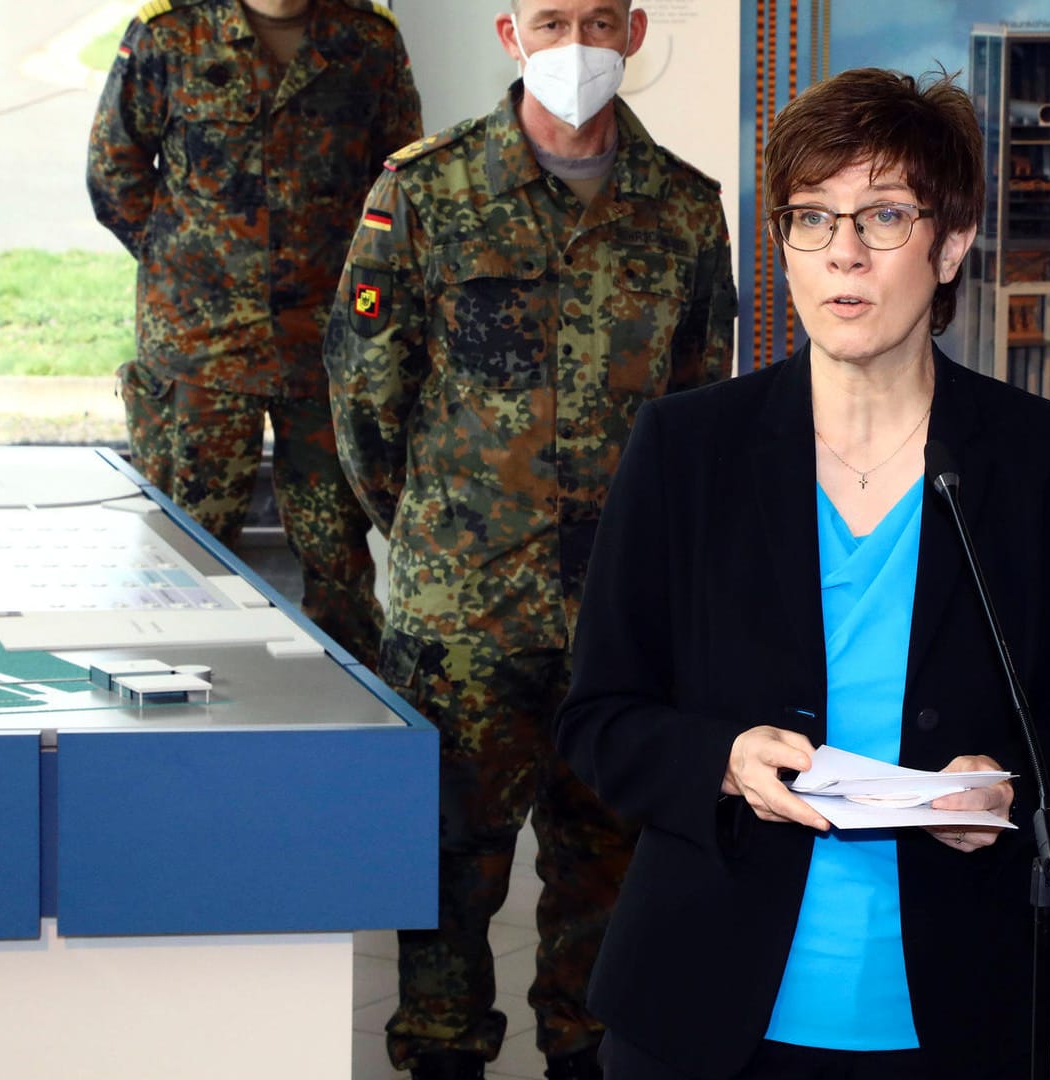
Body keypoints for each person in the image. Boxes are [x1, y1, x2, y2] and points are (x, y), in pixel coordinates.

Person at [552, 68, 1050, 1080]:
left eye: (885, 216)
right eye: (813, 219)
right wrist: (722, 761)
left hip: (958, 1005)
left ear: (950, 243)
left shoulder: (1036, 460)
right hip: (705, 1000)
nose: (845, 254)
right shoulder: (689, 450)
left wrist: (1005, 788)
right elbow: (600, 716)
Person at [322, 0, 736, 1076]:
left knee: (611, 880)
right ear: (512, 35)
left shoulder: (686, 210)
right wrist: (435, 538)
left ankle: (585, 1056)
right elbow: (367, 405)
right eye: (553, 21)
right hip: (466, 618)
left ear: (635, 31)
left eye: (600, 19)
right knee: (451, 878)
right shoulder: (423, 191)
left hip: (622, 622)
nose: (578, 45)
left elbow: (702, 409)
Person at [86, 0, 420, 667]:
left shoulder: (366, 39)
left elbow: (399, 180)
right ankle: (171, 711)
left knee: (341, 563)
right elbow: (114, 173)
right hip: (199, 349)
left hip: (325, 345)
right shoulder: (170, 34)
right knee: (181, 556)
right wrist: (187, 267)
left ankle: (350, 717)